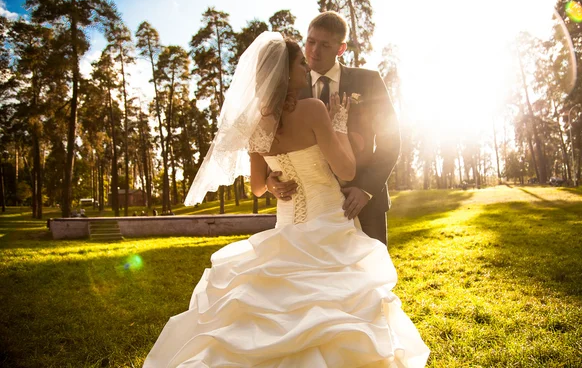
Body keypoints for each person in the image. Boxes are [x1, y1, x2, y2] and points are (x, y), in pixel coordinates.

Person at [143, 32, 429, 367]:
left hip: (288, 221)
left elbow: (257, 187)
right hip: (327, 219)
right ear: (285, 72)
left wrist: (272, 180)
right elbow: (346, 170)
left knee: (276, 303)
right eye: (299, 63)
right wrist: (338, 125)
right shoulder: (313, 110)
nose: (305, 66)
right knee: (334, 301)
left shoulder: (256, 124)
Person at [267, 11, 399, 246]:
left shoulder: (368, 81)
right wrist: (271, 181)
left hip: (364, 204)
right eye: (311, 42)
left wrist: (366, 189)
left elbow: (391, 141)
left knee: (369, 278)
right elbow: (275, 141)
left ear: (341, 49)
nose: (314, 51)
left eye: (325, 45)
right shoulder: (290, 87)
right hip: (314, 210)